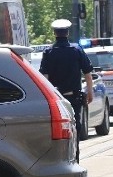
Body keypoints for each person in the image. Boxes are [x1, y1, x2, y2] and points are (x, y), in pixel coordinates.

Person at [39, 18, 94, 158]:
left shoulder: (48, 52)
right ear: (67, 33)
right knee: (75, 127)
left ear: (54, 33)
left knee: (57, 129)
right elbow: (87, 73)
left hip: (57, 100)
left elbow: (44, 78)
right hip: (74, 97)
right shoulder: (76, 50)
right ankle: (75, 157)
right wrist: (90, 92)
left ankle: (60, 157)